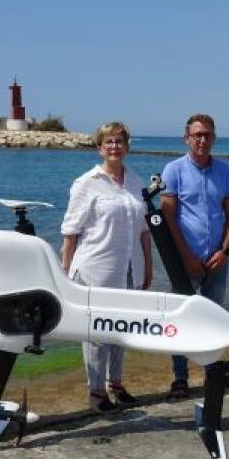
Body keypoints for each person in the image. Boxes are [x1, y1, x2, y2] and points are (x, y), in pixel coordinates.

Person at [60, 122, 153, 412]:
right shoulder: (86, 183)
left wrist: (148, 265)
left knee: (121, 330)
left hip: (129, 267)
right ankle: (96, 393)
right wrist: (65, 274)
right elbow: (70, 232)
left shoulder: (137, 183)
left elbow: (144, 230)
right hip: (94, 269)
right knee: (97, 333)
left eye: (119, 141)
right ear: (100, 147)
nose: (114, 146)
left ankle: (116, 383)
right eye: (108, 141)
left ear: (127, 146)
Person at [160, 113, 229, 399]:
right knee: (180, 320)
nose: (202, 140)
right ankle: (180, 378)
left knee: (214, 317)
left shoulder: (225, 171)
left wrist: (225, 250)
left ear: (214, 138)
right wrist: (186, 257)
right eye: (197, 135)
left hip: (217, 259)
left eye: (207, 135)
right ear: (187, 138)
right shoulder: (173, 170)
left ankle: (214, 372)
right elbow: (168, 219)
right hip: (185, 260)